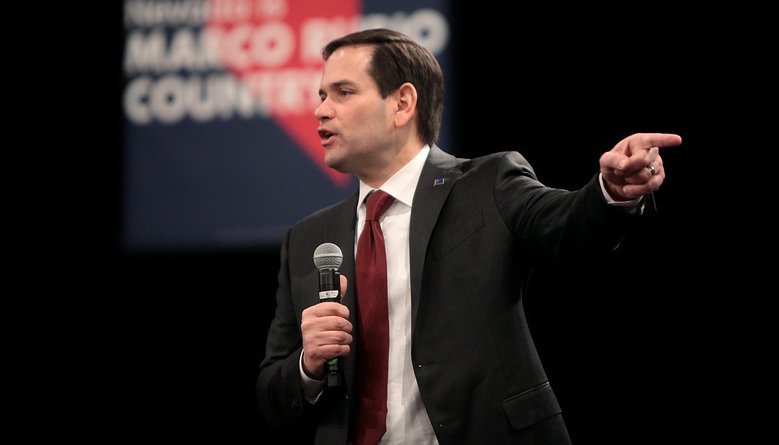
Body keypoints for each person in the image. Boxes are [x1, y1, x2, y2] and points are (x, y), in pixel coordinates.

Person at [256, 28, 681, 445]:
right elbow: (274, 398)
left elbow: (569, 224)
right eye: (322, 95)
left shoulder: (486, 185)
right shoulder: (309, 238)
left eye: (343, 93)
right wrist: (308, 366)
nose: (321, 110)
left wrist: (611, 192)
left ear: (402, 103)